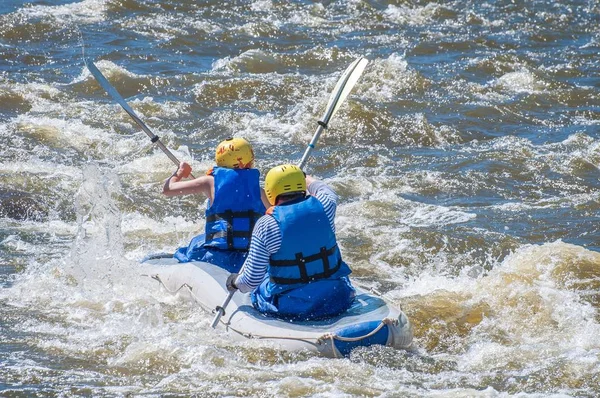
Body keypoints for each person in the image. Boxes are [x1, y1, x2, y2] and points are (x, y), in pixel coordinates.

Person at [225, 164, 356, 320]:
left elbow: (250, 281)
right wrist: (303, 176)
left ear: (270, 191)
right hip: (337, 296)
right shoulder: (326, 205)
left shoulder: (267, 224)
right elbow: (324, 189)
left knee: (262, 281)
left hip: (294, 307)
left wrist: (234, 282)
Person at [162, 137, 268, 272]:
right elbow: (276, 218)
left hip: (215, 257)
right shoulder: (259, 191)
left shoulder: (209, 182)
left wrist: (180, 172)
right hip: (248, 259)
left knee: (193, 245)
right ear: (244, 163)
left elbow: (167, 189)